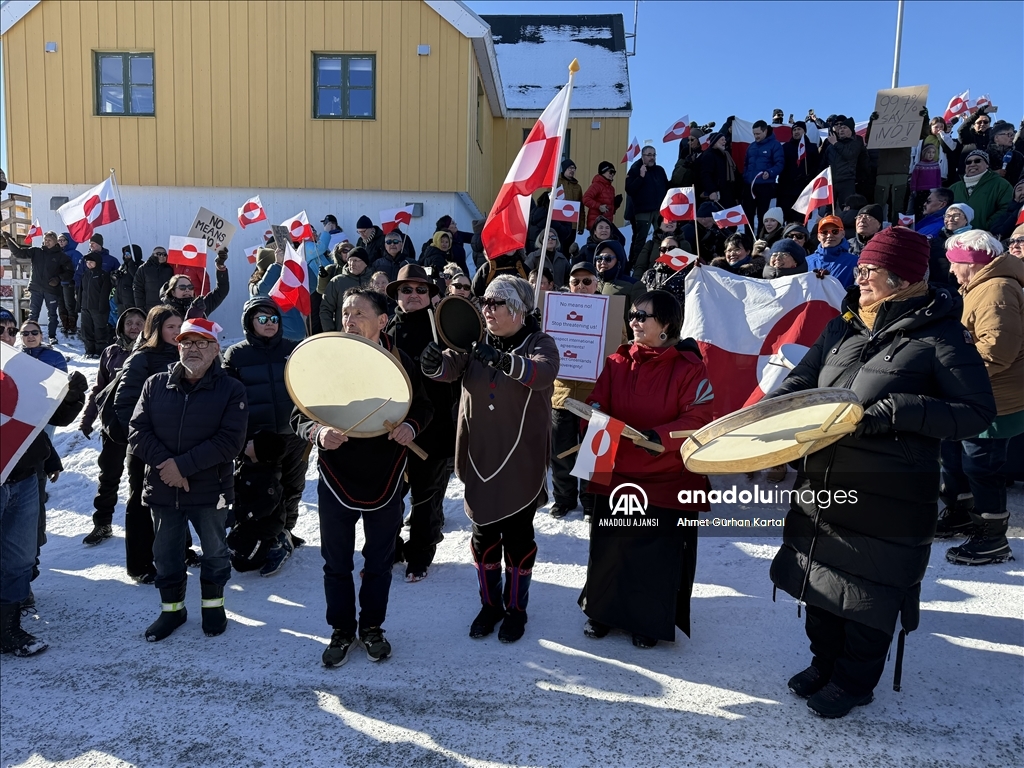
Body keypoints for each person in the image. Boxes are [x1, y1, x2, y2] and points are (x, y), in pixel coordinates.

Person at [768, 227, 995, 718]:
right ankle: (824, 662)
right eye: (863, 268)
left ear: (902, 278)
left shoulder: (940, 335)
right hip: (824, 485)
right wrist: (769, 415)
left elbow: (977, 411)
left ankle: (853, 682)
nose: (861, 277)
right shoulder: (843, 325)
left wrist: (896, 410)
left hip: (889, 499)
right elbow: (803, 380)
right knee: (820, 583)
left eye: (871, 270)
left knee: (869, 598)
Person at [293, 289, 433, 666]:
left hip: (385, 474)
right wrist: (317, 433)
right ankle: (341, 630)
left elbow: (422, 407)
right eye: (345, 313)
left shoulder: (399, 360)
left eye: (358, 313)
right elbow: (299, 414)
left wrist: (411, 428)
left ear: (382, 320)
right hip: (335, 472)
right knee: (335, 560)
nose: (349, 321)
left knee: (378, 560)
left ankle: (372, 628)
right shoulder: (326, 359)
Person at [420, 276, 557, 644]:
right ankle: (490, 605)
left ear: (519, 309)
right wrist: (433, 362)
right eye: (486, 303)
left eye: (498, 303)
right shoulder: (473, 344)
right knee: (483, 539)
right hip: (479, 457)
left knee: (518, 539)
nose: (488, 310)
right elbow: (449, 367)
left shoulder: (540, 342)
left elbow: (542, 374)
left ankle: (516, 609)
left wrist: (500, 359)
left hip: (521, 461)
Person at [580, 290, 714, 648]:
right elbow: (599, 399)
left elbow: (700, 416)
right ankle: (602, 611)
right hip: (617, 469)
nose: (635, 321)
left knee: (653, 554)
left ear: (666, 325)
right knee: (611, 546)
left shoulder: (690, 367)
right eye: (633, 314)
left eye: (644, 316)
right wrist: (592, 414)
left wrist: (661, 436)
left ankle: (647, 621)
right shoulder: (617, 361)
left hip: (666, 473)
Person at [129, 318, 248, 642]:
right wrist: (168, 466)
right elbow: (137, 432)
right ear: (177, 346)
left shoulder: (231, 389)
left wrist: (182, 467)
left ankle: (213, 606)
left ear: (215, 349)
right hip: (164, 491)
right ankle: (172, 610)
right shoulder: (156, 384)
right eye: (186, 342)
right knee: (165, 554)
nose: (192, 349)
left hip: (210, 492)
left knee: (214, 551)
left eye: (201, 342)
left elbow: (230, 441)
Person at [1, 307, 87, 656]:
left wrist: (72, 395)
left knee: (20, 558)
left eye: (10, 330)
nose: (6, 335)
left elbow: (50, 421)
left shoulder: (27, 375)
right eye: (0, 329)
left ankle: (8, 630)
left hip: (24, 479)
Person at [936, 231, 1024, 565]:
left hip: (992, 397)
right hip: (971, 393)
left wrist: (951, 377)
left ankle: (992, 538)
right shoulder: (979, 287)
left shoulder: (997, 289)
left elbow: (998, 351)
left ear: (970, 261)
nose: (950, 270)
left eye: (953, 263)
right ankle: (961, 514)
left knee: (981, 464)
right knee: (955, 455)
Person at [223, 297, 308, 576]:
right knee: (262, 491)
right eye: (262, 319)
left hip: (293, 433)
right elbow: (229, 401)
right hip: (257, 439)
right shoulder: (236, 355)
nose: (269, 324)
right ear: (250, 322)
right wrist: (243, 440)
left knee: (292, 487)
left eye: (273, 319)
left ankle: (285, 532)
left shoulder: (293, 350)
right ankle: (264, 536)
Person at [384, 266, 459, 581]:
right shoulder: (386, 331)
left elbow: (460, 374)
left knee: (426, 497)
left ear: (431, 295)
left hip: (435, 427)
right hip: (393, 429)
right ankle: (390, 548)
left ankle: (420, 554)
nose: (413, 295)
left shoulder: (444, 329)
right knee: (388, 496)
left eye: (420, 290)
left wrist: (443, 365)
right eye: (406, 290)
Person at [111, 305, 187, 583]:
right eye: (171, 327)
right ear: (155, 329)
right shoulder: (141, 358)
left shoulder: (184, 354)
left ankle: (180, 550)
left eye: (180, 327)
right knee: (143, 501)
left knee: (177, 500)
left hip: (178, 445)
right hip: (145, 446)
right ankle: (140, 563)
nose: (177, 333)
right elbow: (125, 405)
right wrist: (142, 441)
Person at [79, 308, 146, 546]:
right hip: (113, 426)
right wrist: (87, 419)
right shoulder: (110, 353)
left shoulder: (149, 352)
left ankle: (144, 526)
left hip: (143, 425)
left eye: (140, 322)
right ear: (121, 326)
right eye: (129, 322)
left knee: (140, 479)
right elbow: (99, 391)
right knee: (109, 475)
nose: (134, 326)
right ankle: (102, 524)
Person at [550, 262, 602, 520]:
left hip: (597, 397)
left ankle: (592, 501)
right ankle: (564, 499)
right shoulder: (556, 310)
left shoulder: (608, 310)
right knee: (560, 451)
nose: (581, 286)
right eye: (575, 282)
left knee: (594, 451)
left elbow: (618, 346)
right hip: (562, 395)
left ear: (596, 284)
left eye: (587, 281)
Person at [2, 230, 73, 345]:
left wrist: (58, 279)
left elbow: (70, 272)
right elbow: (20, 253)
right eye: (45, 239)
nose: (46, 242)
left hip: (52, 290)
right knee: (33, 314)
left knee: (52, 314)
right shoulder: (36, 251)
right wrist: (9, 241)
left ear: (55, 242)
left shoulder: (61, 256)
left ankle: (52, 336)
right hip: (36, 288)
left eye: (49, 240)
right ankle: (29, 335)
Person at [625, 145, 669, 264]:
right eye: (649, 155)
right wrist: (641, 177)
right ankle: (635, 263)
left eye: (654, 155)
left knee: (662, 237)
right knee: (640, 238)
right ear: (642, 156)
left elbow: (667, 187)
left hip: (658, 211)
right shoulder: (635, 168)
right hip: (642, 211)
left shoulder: (660, 170)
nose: (652, 158)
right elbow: (629, 189)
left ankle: (660, 261)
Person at [951, 150, 1014, 232]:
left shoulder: (1001, 184)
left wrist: (986, 225)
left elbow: (1007, 208)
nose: (972, 164)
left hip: (984, 236)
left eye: (977, 161)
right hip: (955, 236)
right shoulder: (954, 187)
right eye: (968, 162)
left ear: (987, 164)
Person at [594, 239, 645, 335]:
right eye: (599, 258)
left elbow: (640, 318)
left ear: (619, 261)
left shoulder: (633, 285)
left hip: (621, 341)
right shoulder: (590, 283)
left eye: (608, 258)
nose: (603, 262)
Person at [160, 250, 230, 320]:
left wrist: (220, 266)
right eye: (182, 287)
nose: (187, 290)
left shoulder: (200, 306)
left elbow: (222, 290)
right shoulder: (165, 312)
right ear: (173, 292)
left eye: (190, 287)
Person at [255, 247, 305, 341]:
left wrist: (298, 264)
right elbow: (264, 290)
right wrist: (277, 265)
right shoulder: (257, 286)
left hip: (297, 335)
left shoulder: (287, 281)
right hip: (280, 337)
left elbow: (311, 286)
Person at [320, 246, 372, 332]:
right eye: (350, 260)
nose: (352, 264)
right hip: (344, 334)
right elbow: (325, 309)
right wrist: (330, 332)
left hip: (368, 334)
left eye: (355, 260)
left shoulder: (373, 280)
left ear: (365, 263)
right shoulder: (337, 281)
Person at [743, 120, 785, 227]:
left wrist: (770, 172)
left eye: (758, 134)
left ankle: (762, 239)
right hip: (750, 186)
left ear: (765, 131)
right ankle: (748, 239)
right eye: (754, 134)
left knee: (763, 215)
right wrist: (746, 177)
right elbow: (746, 165)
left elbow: (780, 163)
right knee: (748, 214)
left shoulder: (775, 145)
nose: (756, 136)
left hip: (765, 186)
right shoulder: (751, 146)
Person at [823, 116, 868, 208]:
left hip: (847, 181)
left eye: (845, 128)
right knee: (828, 210)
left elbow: (850, 155)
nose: (841, 130)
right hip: (832, 182)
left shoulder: (856, 141)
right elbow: (823, 163)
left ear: (851, 130)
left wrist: (836, 143)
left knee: (847, 208)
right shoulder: (831, 146)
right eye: (840, 128)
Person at [779, 121, 821, 220]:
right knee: (787, 217)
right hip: (787, 189)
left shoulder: (812, 147)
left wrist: (809, 176)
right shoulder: (785, 147)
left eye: (799, 129)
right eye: (794, 130)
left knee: (802, 218)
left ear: (804, 131)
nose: (796, 132)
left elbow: (817, 165)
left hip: (804, 189)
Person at [77, 249, 113, 358]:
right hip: (85, 307)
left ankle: (99, 351)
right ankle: (89, 350)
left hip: (98, 308)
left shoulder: (103, 275)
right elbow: (80, 290)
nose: (89, 264)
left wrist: (102, 307)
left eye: (91, 262)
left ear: (97, 262)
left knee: (99, 329)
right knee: (86, 329)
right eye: (87, 262)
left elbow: (105, 292)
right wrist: (79, 304)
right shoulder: (85, 274)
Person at [806, 215, 857, 287]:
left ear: (843, 234)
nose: (829, 235)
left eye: (835, 231)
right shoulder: (807, 261)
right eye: (824, 232)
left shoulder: (854, 262)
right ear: (818, 236)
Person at [696, 132, 740, 209]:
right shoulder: (708, 155)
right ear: (715, 142)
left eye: (725, 140)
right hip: (717, 195)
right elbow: (705, 175)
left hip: (728, 194)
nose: (725, 141)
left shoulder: (726, 156)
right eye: (722, 140)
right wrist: (712, 191)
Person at [133, 246, 175, 314]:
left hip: (166, 307)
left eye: (164, 254)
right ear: (153, 254)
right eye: (159, 254)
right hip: (149, 308)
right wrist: (140, 307)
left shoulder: (169, 268)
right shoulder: (144, 268)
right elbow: (137, 288)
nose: (162, 256)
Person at [56, 232, 83, 338]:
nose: (61, 242)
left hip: (68, 284)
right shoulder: (56, 253)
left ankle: (72, 326)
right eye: (59, 240)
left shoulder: (74, 253)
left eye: (63, 240)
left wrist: (75, 281)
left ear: (69, 242)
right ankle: (64, 325)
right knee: (60, 304)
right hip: (58, 283)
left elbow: (78, 269)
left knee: (69, 304)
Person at [583, 161, 620, 231]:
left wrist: (616, 205)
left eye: (614, 173)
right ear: (603, 171)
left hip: (607, 224)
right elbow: (585, 199)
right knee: (618, 239)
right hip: (596, 223)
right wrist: (599, 206)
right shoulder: (596, 185)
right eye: (611, 172)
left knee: (620, 239)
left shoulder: (611, 189)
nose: (612, 174)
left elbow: (609, 210)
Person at [557, 159, 586, 246]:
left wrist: (581, 225)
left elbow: (581, 207)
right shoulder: (557, 183)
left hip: (572, 225)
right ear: (564, 169)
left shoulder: (578, 187)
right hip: (559, 223)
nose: (572, 170)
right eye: (570, 168)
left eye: (574, 168)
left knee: (568, 249)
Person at [987, 121, 1024, 185]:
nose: (1012, 137)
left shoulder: (1018, 156)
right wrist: (992, 174)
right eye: (1009, 134)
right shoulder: (984, 155)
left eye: (1013, 134)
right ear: (996, 138)